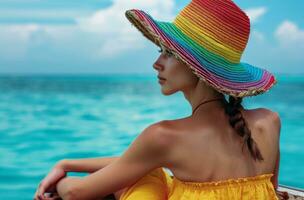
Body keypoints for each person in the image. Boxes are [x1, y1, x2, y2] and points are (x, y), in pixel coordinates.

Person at [34, 0, 282, 199]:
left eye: (169, 53)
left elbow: (78, 193)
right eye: (160, 51)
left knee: (148, 179)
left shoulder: (164, 137)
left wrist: (61, 181)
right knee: (151, 172)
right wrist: (68, 163)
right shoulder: (269, 122)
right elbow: (139, 160)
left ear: (197, 67)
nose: (156, 64)